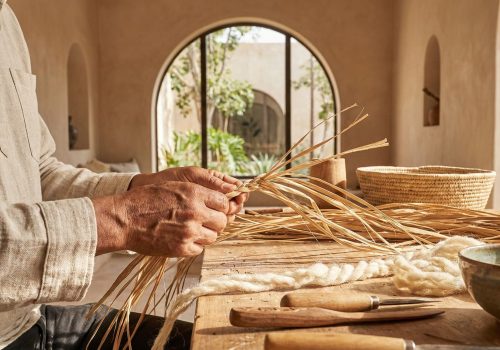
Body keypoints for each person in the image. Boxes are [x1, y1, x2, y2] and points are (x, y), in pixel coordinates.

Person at [0, 1, 247, 348]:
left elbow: (38, 173)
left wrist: (139, 187)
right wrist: (122, 219)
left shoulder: (6, 21)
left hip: (30, 316)